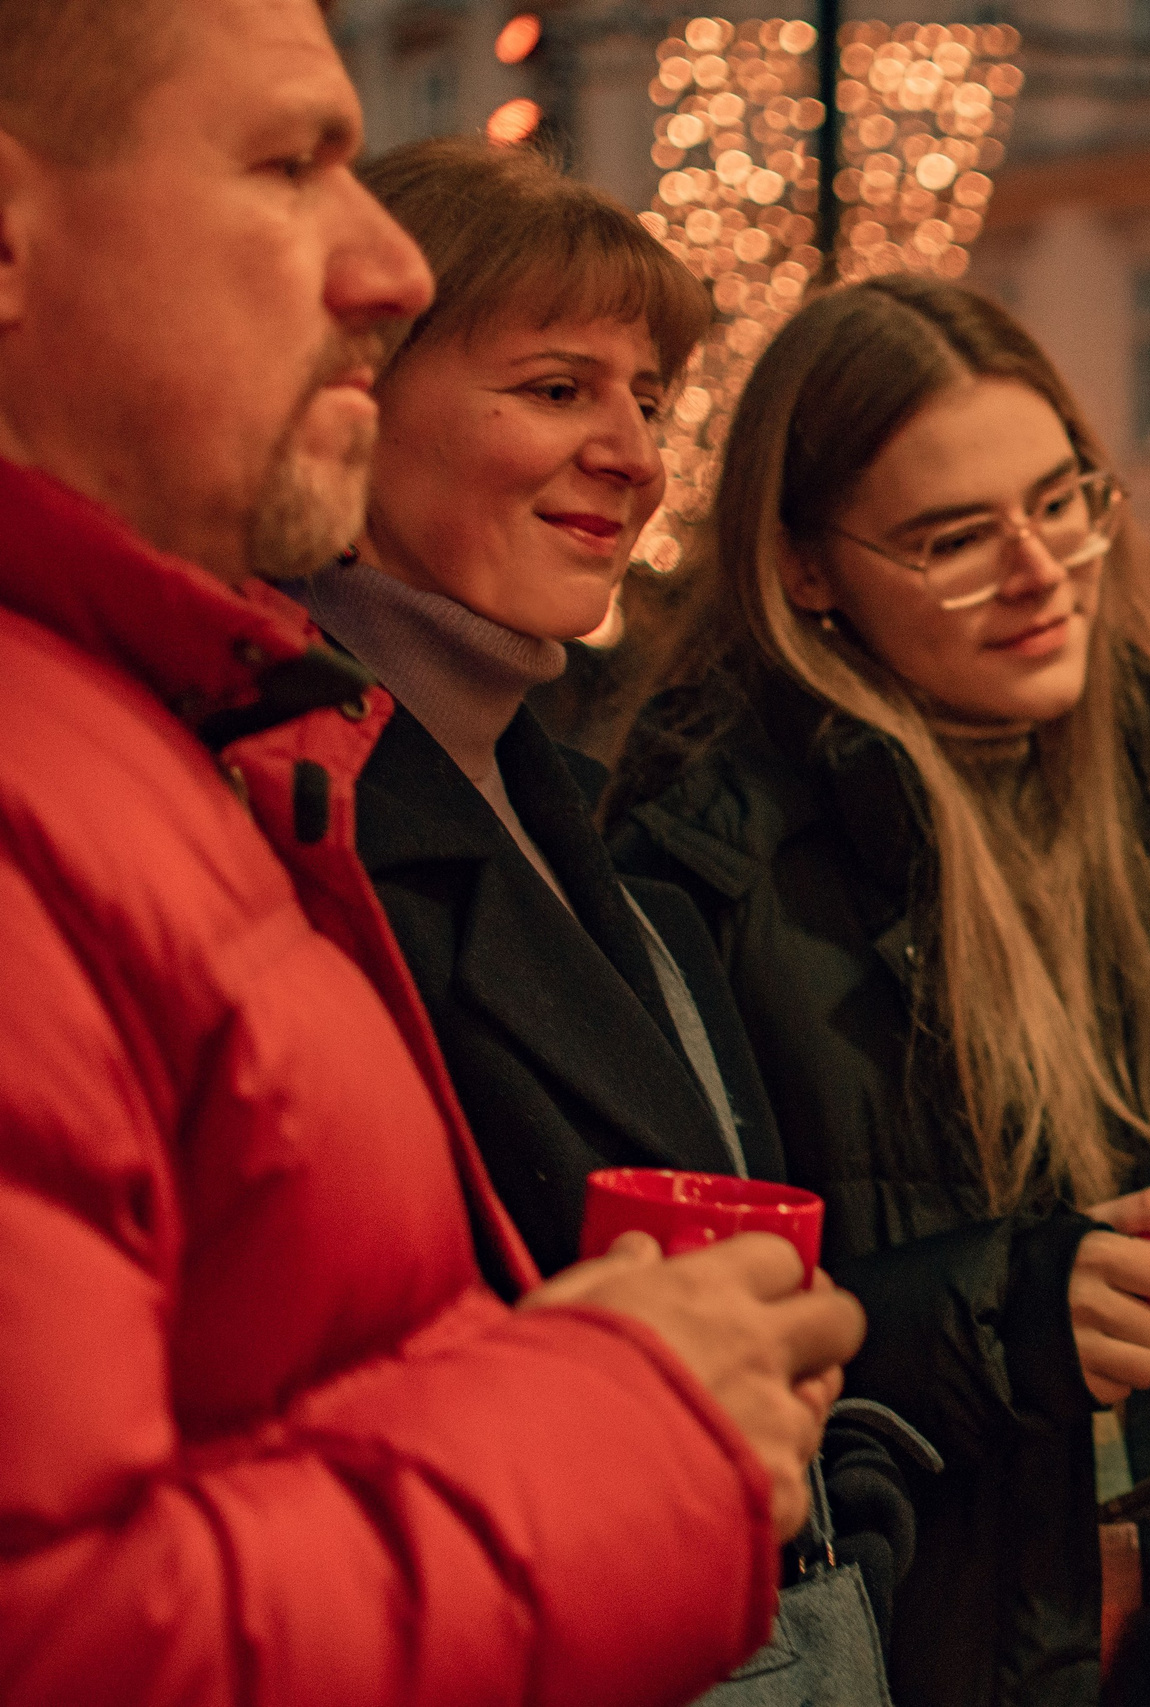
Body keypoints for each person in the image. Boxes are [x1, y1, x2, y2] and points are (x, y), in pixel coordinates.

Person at [0, 4, 864, 1703]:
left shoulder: (298, 772)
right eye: (287, 165)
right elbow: (74, 1622)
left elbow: (334, 1388)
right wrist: (633, 1420)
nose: (380, 267)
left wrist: (847, 1497)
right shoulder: (232, 783)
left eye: (649, 399)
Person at [608, 275, 1150, 1707]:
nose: (1042, 570)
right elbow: (673, 1354)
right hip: (919, 1647)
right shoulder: (708, 866)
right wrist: (1007, 1310)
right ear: (807, 570)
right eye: (953, 539)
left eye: (1062, 504)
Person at [286, 134, 925, 1627]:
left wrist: (855, 1509)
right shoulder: (281, 829)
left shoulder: (577, 819)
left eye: (650, 400)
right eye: (558, 388)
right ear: (354, 397)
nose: (635, 456)